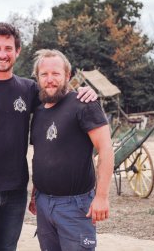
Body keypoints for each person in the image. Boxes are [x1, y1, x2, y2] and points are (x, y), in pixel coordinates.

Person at [0, 22, 97, 251]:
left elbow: (58, 95)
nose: (2, 54)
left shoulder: (29, 89)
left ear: (17, 52)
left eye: (8, 48)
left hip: (15, 191)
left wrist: (85, 92)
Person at [28, 49, 114, 251]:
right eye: (44, 75)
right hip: (43, 203)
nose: (50, 80)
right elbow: (43, 154)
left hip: (75, 207)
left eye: (56, 74)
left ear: (67, 75)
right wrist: (35, 192)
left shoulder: (84, 104)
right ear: (37, 78)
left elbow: (106, 149)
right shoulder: (38, 112)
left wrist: (101, 197)